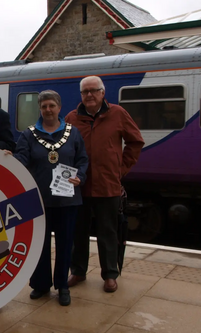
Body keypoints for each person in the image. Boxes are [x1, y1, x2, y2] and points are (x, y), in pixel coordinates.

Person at [5, 90, 88, 306]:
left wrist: (80, 176)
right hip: (37, 200)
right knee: (39, 245)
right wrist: (10, 160)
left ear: (59, 108)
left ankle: (62, 286)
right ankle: (40, 285)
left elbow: (82, 160)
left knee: (65, 243)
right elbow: (22, 158)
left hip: (67, 200)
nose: (48, 110)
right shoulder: (29, 135)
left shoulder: (73, 133)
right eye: (44, 106)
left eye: (51, 105)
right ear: (40, 109)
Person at [65, 76, 144, 293]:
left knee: (108, 232)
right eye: (85, 92)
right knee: (78, 232)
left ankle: (110, 274)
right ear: (81, 95)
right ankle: (78, 271)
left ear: (102, 92)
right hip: (78, 188)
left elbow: (136, 141)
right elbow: (62, 148)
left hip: (108, 186)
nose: (89, 95)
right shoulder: (72, 118)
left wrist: (120, 170)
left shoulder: (117, 113)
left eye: (94, 90)